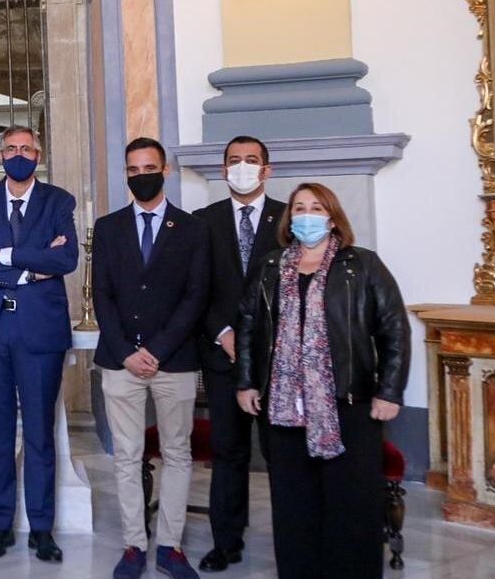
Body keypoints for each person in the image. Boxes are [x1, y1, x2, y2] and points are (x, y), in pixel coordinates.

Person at [235, 183, 409, 579]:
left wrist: (390, 390)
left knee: (352, 504)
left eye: (316, 207)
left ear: (332, 218)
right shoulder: (270, 267)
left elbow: (394, 330)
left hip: (349, 403)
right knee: (294, 505)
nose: (307, 214)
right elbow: (248, 328)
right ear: (289, 218)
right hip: (283, 406)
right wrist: (246, 382)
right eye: (299, 208)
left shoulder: (362, 265)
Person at [0, 126, 77, 562]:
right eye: (11, 148)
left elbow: (66, 258)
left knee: (41, 433)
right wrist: (28, 271)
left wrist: (3, 257)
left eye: (26, 148)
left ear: (38, 154)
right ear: (0, 155)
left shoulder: (59, 201)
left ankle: (42, 529)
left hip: (39, 330)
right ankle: (0, 523)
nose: (18, 154)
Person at [92, 138, 209, 579]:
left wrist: (156, 349)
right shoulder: (107, 227)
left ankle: (171, 546)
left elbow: (196, 295)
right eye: (133, 169)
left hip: (173, 359)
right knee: (127, 454)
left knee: (178, 454)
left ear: (166, 171)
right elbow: (101, 294)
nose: (141, 175)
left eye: (149, 167)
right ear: (126, 174)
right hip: (120, 360)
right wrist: (125, 352)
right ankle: (133, 545)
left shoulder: (193, 229)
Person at [191, 136, 285, 572]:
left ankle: (293, 539)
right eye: (234, 161)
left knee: (282, 453)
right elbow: (197, 290)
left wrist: (265, 340)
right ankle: (225, 542)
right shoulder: (203, 221)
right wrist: (223, 331)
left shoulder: (289, 219)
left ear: (266, 170)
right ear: (223, 169)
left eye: (251, 161)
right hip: (222, 355)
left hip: (277, 360)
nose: (242, 167)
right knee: (228, 451)